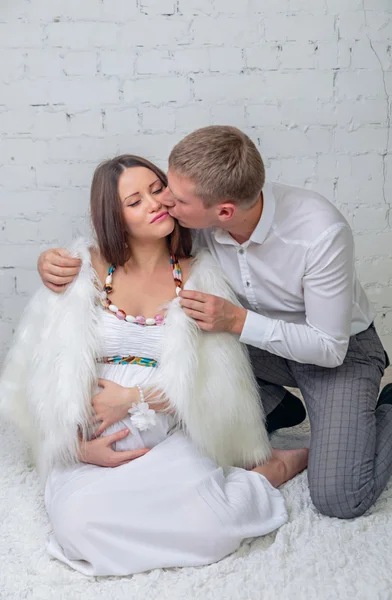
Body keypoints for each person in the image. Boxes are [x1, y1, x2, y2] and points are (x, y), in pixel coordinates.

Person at [38, 127, 392, 520]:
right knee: (194, 391)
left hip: (336, 353)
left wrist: (237, 320)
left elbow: (329, 348)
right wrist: (53, 263)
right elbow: (128, 251)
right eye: (164, 188)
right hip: (256, 347)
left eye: (172, 196)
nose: (165, 203)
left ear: (222, 212)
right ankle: (276, 407)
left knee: (341, 496)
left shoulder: (320, 233)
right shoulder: (196, 215)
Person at [0, 154, 308, 576]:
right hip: (90, 447)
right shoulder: (83, 269)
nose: (154, 203)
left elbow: (213, 382)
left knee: (211, 526)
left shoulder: (201, 274)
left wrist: (134, 397)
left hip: (168, 436)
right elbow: (44, 374)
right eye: (134, 200)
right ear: (115, 217)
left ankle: (271, 470)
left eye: (157, 189)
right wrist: (76, 447)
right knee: (79, 528)